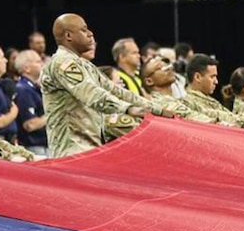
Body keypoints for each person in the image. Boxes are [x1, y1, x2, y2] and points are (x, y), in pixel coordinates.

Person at [39, 12, 157, 157]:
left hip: (88, 147)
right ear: (68, 36)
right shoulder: (62, 63)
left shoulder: (85, 65)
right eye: (83, 30)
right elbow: (92, 94)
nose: (90, 34)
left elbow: (117, 91)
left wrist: (156, 110)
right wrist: (128, 109)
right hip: (71, 151)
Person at [181, 54, 244, 127]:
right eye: (212, 77)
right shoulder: (187, 103)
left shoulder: (208, 100)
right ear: (197, 77)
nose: (216, 81)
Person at [9, 49, 48, 153]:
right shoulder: (24, 90)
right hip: (35, 147)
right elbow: (30, 125)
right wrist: (52, 115)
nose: (42, 64)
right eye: (38, 62)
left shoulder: (34, 88)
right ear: (27, 68)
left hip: (42, 145)